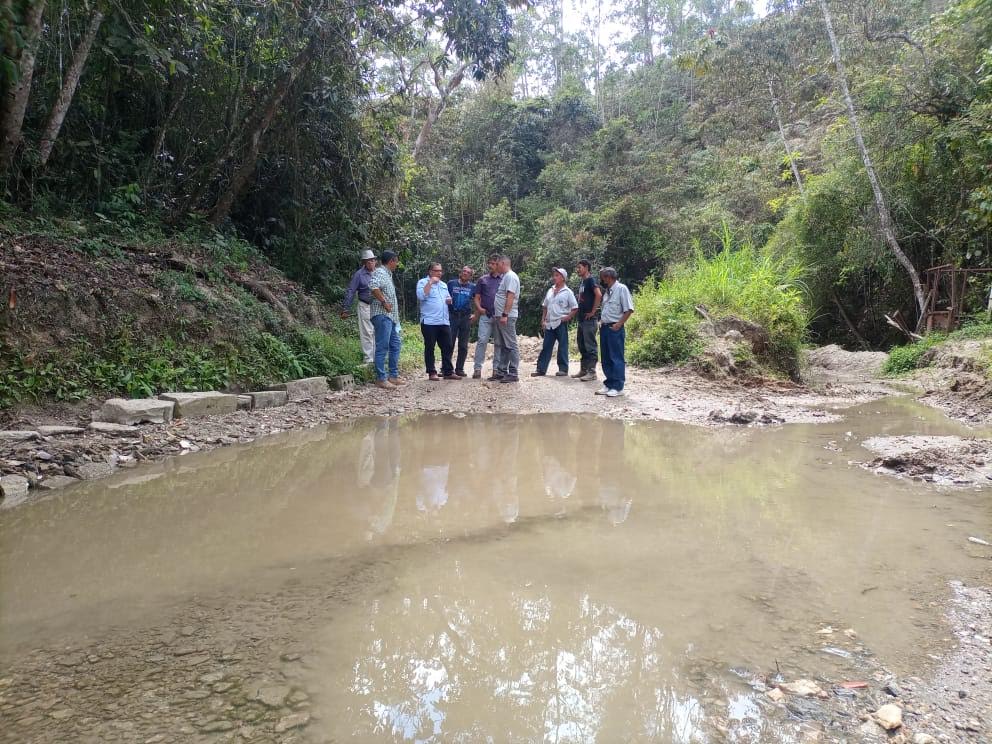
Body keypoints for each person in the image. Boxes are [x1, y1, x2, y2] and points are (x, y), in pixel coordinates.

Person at [532, 267, 578, 377]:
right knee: (546, 346)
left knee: (563, 346)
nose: (554, 277)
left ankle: (563, 369)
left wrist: (568, 317)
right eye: (554, 275)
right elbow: (545, 306)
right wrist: (543, 320)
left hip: (560, 322)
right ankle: (541, 369)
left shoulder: (568, 292)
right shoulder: (550, 290)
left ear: (563, 278)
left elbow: (575, 307)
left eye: (557, 275)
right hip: (549, 322)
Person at [596, 267, 634, 398]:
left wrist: (619, 324)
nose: (602, 280)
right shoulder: (607, 292)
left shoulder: (621, 289)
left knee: (616, 357)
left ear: (609, 277)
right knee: (606, 357)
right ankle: (609, 383)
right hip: (605, 328)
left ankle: (618, 387)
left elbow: (628, 309)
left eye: (603, 277)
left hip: (615, 328)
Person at [417, 262, 458, 381]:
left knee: (448, 346)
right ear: (430, 272)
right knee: (430, 347)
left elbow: (447, 298)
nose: (439, 273)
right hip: (429, 321)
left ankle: (448, 371)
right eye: (436, 271)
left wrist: (449, 300)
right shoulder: (422, 282)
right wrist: (430, 283)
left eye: (440, 271)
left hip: (443, 320)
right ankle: (432, 372)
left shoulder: (443, 285)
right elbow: (421, 296)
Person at [369, 251, 404, 390]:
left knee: (395, 345)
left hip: (391, 318)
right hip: (382, 316)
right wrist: (384, 302)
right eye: (396, 261)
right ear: (391, 261)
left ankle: (393, 376)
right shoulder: (380, 273)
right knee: (382, 346)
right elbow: (373, 287)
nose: (397, 264)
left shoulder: (388, 275)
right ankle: (381, 378)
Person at [339, 249, 377, 364]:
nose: (371, 262)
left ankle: (377, 359)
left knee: (377, 332)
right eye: (369, 261)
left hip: (378, 306)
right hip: (365, 305)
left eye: (373, 260)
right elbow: (351, 291)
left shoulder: (378, 273)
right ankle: (368, 359)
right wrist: (346, 308)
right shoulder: (359, 274)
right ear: (364, 262)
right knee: (367, 333)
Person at [471, 254, 503, 379]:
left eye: (493, 263)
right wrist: (479, 309)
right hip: (486, 316)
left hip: (499, 316)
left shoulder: (504, 279)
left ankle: (496, 370)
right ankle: (477, 369)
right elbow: (477, 297)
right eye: (489, 263)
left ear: (499, 264)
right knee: (482, 341)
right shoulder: (482, 280)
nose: (490, 265)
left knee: (499, 343)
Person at [491, 254, 521, 383]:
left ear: (503, 263)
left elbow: (510, 296)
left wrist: (505, 315)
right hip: (501, 315)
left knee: (511, 344)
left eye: (497, 264)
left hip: (507, 316)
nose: (496, 267)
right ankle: (502, 371)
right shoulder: (505, 277)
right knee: (503, 344)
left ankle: (513, 372)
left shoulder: (511, 276)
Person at [573, 259, 602, 381]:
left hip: (589, 320)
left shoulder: (590, 280)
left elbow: (598, 294)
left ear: (586, 268)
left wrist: (593, 311)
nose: (578, 270)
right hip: (582, 319)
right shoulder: (583, 282)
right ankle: (584, 369)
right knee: (582, 344)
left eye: (580, 267)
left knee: (590, 346)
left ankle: (592, 372)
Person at [447, 265, 476, 378]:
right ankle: (447, 368)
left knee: (463, 345)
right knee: (449, 343)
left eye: (468, 272)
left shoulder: (472, 287)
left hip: (465, 317)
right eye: (463, 271)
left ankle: (459, 369)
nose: (465, 273)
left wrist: (475, 314)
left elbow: (477, 299)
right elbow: (445, 296)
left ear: (470, 276)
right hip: (452, 316)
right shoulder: (451, 283)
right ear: (460, 272)